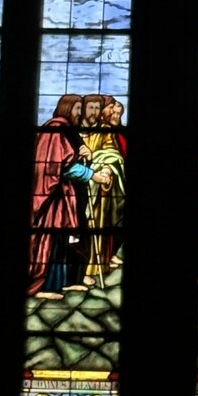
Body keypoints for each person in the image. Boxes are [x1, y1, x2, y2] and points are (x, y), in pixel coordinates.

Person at [28, 95, 111, 299]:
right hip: (53, 199)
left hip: (67, 197)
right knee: (55, 241)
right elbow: (62, 167)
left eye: (80, 108)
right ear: (67, 108)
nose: (79, 113)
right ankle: (46, 286)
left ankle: (67, 281)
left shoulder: (68, 130)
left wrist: (87, 156)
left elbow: (72, 160)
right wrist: (93, 175)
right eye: (77, 109)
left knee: (68, 239)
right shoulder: (55, 130)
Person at [83, 95, 126, 280]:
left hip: (102, 186)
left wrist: (106, 167)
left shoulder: (106, 130)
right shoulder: (75, 128)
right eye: (111, 110)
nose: (113, 114)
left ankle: (98, 263)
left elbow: (113, 152)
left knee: (103, 223)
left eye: (117, 113)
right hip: (77, 185)